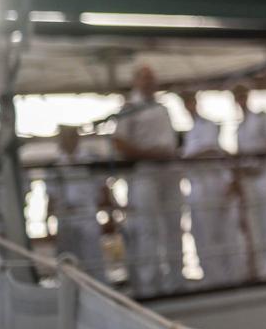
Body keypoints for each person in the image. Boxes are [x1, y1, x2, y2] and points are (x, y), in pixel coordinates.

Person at [112, 65, 184, 297]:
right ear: (136, 82)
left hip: (169, 173)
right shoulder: (129, 108)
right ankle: (149, 284)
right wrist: (151, 154)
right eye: (146, 78)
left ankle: (176, 280)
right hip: (146, 173)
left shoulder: (163, 108)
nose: (150, 83)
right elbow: (119, 142)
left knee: (174, 226)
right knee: (147, 229)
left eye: (153, 78)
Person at [179, 91, 245, 288]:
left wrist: (186, 158)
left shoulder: (206, 125)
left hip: (213, 187)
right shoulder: (191, 131)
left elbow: (210, 151)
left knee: (222, 235)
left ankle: (229, 278)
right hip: (199, 188)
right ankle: (213, 279)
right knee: (203, 236)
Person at [232, 83, 266, 280]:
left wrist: (260, 162)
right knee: (258, 224)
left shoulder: (262, 117)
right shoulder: (239, 127)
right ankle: (263, 268)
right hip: (250, 179)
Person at [46, 125, 107, 280]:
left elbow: (103, 188)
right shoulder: (55, 165)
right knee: (67, 260)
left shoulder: (91, 161)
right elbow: (51, 196)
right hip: (65, 216)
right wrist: (48, 224)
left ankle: (99, 291)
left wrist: (110, 215)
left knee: (93, 258)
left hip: (86, 213)